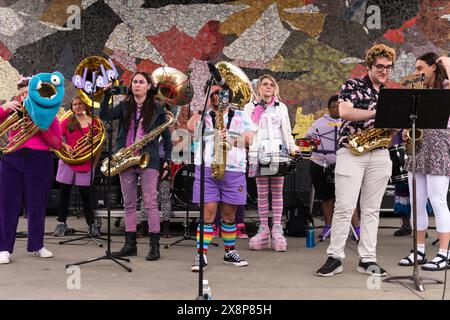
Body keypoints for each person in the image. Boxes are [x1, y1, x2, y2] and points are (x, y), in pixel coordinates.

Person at [316, 44, 397, 277]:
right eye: (380, 67)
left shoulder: (388, 92)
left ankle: (368, 259)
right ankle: (335, 257)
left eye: (388, 67)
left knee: (372, 210)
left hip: (380, 152)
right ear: (369, 66)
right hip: (351, 151)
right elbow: (345, 112)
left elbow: (391, 127)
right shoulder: (352, 85)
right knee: (344, 207)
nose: (384, 71)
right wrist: (377, 112)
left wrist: (393, 125)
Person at [100, 71, 173, 261]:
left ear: (149, 86)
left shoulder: (158, 108)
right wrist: (107, 94)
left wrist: (167, 160)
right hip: (126, 158)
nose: (137, 84)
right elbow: (104, 114)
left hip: (149, 159)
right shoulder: (125, 106)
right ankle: (129, 244)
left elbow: (166, 138)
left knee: (150, 202)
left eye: (141, 82)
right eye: (134, 82)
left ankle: (154, 246)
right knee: (129, 203)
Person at [187, 84, 254, 272]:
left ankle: (229, 252)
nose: (216, 96)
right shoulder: (205, 115)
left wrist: (231, 140)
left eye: (219, 93)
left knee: (229, 216)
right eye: (213, 93)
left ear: (228, 95)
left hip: (233, 170)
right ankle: (201, 255)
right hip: (207, 169)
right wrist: (203, 105)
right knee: (207, 214)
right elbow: (190, 127)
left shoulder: (240, 116)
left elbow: (249, 139)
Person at [0, 74, 63, 264]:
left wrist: (42, 127)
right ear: (18, 96)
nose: (26, 98)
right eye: (23, 94)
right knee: (7, 205)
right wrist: (4, 108)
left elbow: (57, 144)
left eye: (29, 93)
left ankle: (37, 245)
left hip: (39, 159)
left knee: (37, 204)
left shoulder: (49, 114)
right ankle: (3, 248)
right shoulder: (13, 110)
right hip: (12, 157)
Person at [398, 53, 450, 270]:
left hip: (439, 147)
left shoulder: (447, 87)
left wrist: (444, 62)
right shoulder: (421, 91)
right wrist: (405, 130)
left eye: (421, 68)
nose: (417, 73)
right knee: (417, 201)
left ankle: (445, 254)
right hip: (419, 147)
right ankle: (418, 251)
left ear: (433, 68)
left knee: (437, 200)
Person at [244, 74, 299, 252]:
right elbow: (248, 131)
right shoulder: (249, 107)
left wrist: (293, 149)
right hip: (258, 154)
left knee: (277, 193)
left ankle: (277, 228)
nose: (268, 87)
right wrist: (257, 112)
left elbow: (287, 131)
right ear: (258, 88)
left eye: (271, 85)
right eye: (264, 84)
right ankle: (263, 228)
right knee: (261, 194)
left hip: (277, 155)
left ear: (275, 88)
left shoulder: (280, 107)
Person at [304, 94, 360, 240]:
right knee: (326, 197)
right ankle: (328, 226)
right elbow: (307, 138)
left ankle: (357, 228)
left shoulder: (350, 122)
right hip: (321, 163)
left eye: (338, 106)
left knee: (349, 198)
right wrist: (312, 142)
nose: (336, 109)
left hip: (346, 163)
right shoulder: (319, 123)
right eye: (333, 107)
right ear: (328, 109)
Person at [53, 96, 101, 238]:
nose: (78, 106)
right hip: (68, 161)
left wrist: (94, 165)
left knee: (86, 195)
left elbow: (99, 146)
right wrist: (65, 145)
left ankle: (91, 225)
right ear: (72, 107)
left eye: (80, 104)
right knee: (64, 194)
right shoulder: (67, 121)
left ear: (86, 106)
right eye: (75, 104)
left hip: (86, 162)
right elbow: (56, 137)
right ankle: (61, 223)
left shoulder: (95, 123)